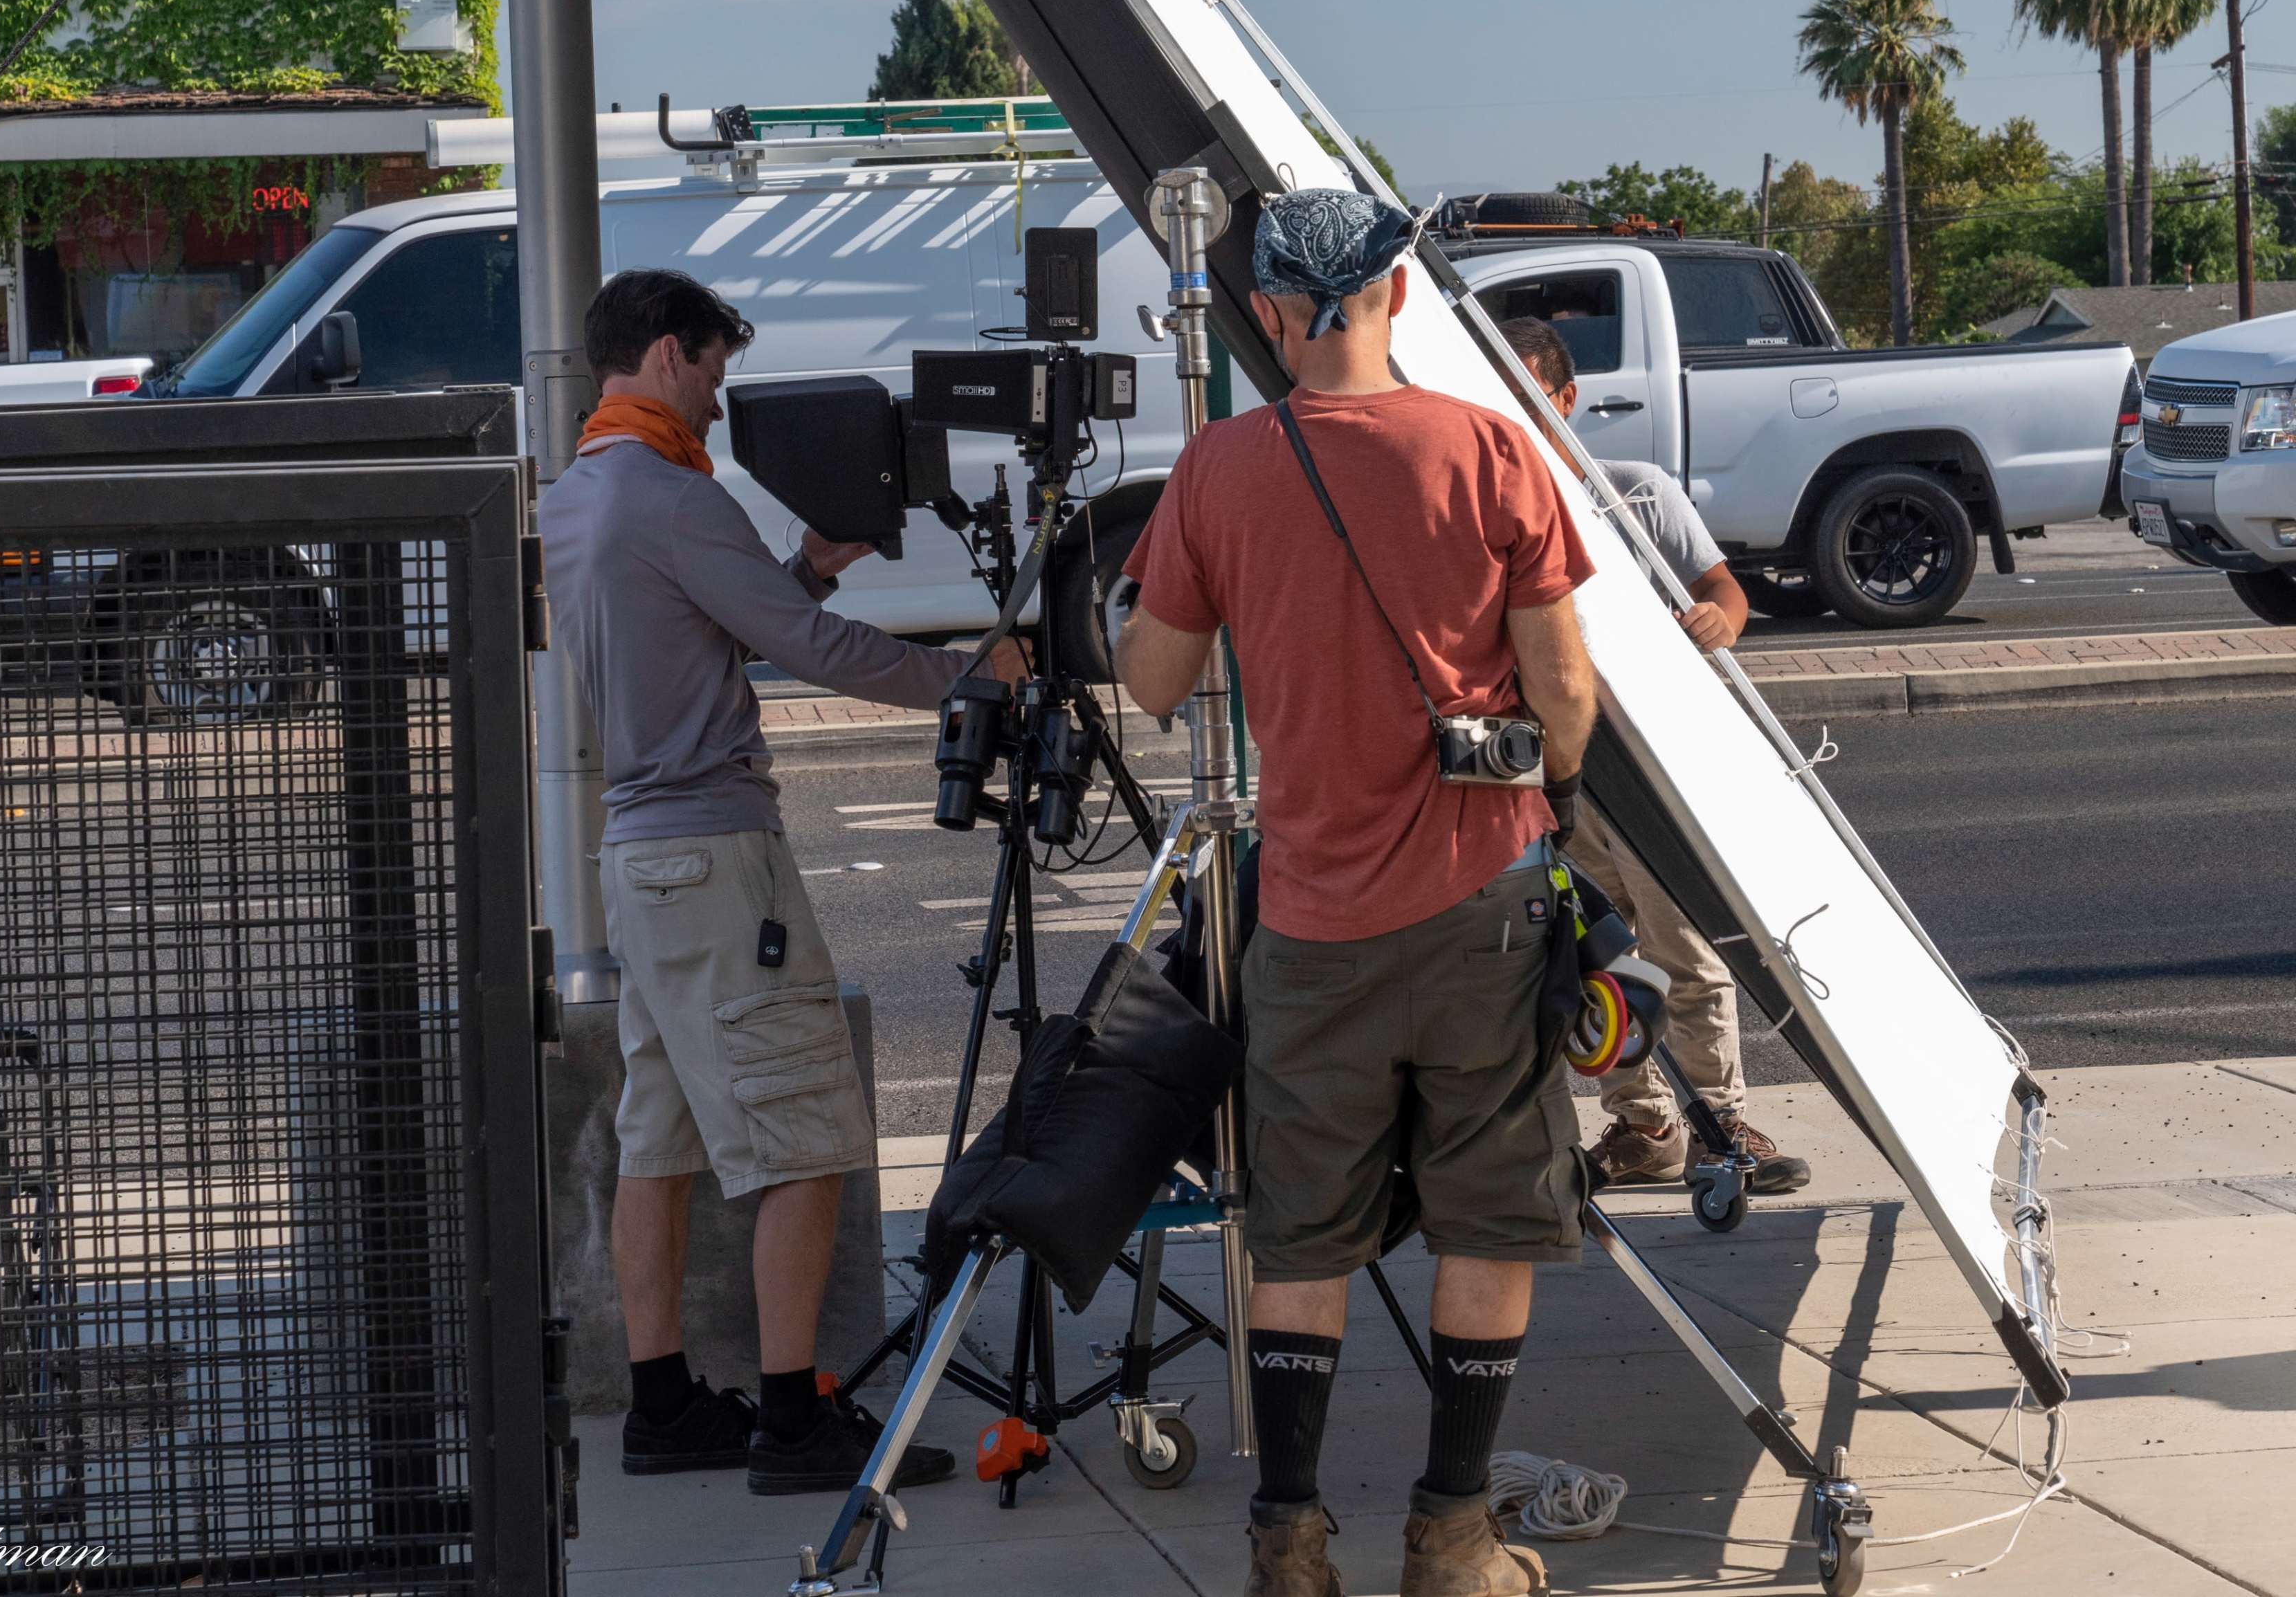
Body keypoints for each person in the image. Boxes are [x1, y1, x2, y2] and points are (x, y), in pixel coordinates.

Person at [1115, 194, 1599, 1597]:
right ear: (1397, 287)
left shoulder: (1216, 470)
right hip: (1480, 904)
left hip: (1311, 922)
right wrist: (1543, 766)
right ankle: (1452, 1541)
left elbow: (1150, 679)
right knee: (1488, 1220)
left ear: (1266, 311)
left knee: (1303, 1233)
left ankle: (1291, 1544)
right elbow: (1563, 697)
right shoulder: (1492, 449)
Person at [540, 269, 1025, 1497]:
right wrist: (974, 672)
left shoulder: (585, 492)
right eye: (708, 369)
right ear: (663, 353)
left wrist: (804, 566)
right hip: (713, 859)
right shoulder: (668, 493)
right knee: (808, 1135)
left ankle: (663, 1408)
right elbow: (806, 652)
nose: (715, 398)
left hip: (640, 859)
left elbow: (718, 629)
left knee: (663, 1139)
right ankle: (794, 1425)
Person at [1495, 316, 1811, 1195]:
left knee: (1687, 948)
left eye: (1529, 396)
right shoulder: (1486, 504)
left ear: (1565, 400)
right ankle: (1644, 1126)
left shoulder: (1634, 494)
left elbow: (1723, 591)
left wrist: (1720, 621)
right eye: (1496, 397)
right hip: (1557, 773)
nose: (1514, 416)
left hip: (1652, 771)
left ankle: (1718, 1118)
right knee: (1592, 955)